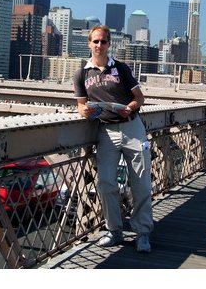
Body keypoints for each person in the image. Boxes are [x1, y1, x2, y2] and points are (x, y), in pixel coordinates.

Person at [73, 25, 153, 253]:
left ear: (109, 44)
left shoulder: (121, 68)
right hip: (106, 132)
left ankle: (143, 232)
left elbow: (139, 98)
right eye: (95, 41)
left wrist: (129, 107)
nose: (99, 45)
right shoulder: (81, 74)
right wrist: (83, 111)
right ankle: (114, 230)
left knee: (141, 183)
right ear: (89, 44)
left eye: (103, 42)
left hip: (132, 128)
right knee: (106, 183)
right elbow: (80, 103)